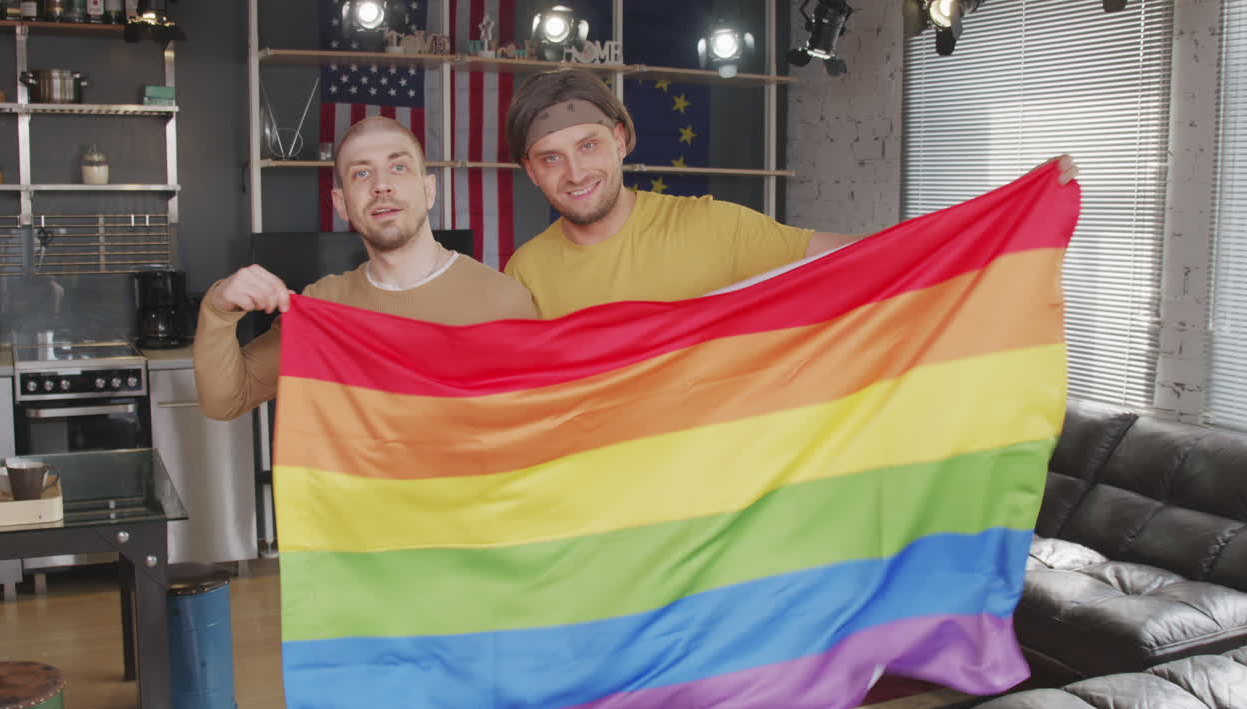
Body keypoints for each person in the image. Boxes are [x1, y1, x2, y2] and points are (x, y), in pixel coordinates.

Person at [502, 68, 1079, 318]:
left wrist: (998, 222)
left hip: (717, 492)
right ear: (530, 171)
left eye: (588, 146)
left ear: (621, 140)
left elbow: (862, 259)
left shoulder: (711, 227)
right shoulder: (525, 272)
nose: (574, 171)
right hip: (602, 500)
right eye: (551, 158)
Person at [194, 116, 538, 420]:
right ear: (341, 203)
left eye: (398, 167)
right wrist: (218, 308)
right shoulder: (323, 307)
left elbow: (536, 431)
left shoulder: (503, 301)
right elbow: (225, 401)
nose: (381, 185)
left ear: (428, 189)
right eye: (361, 173)